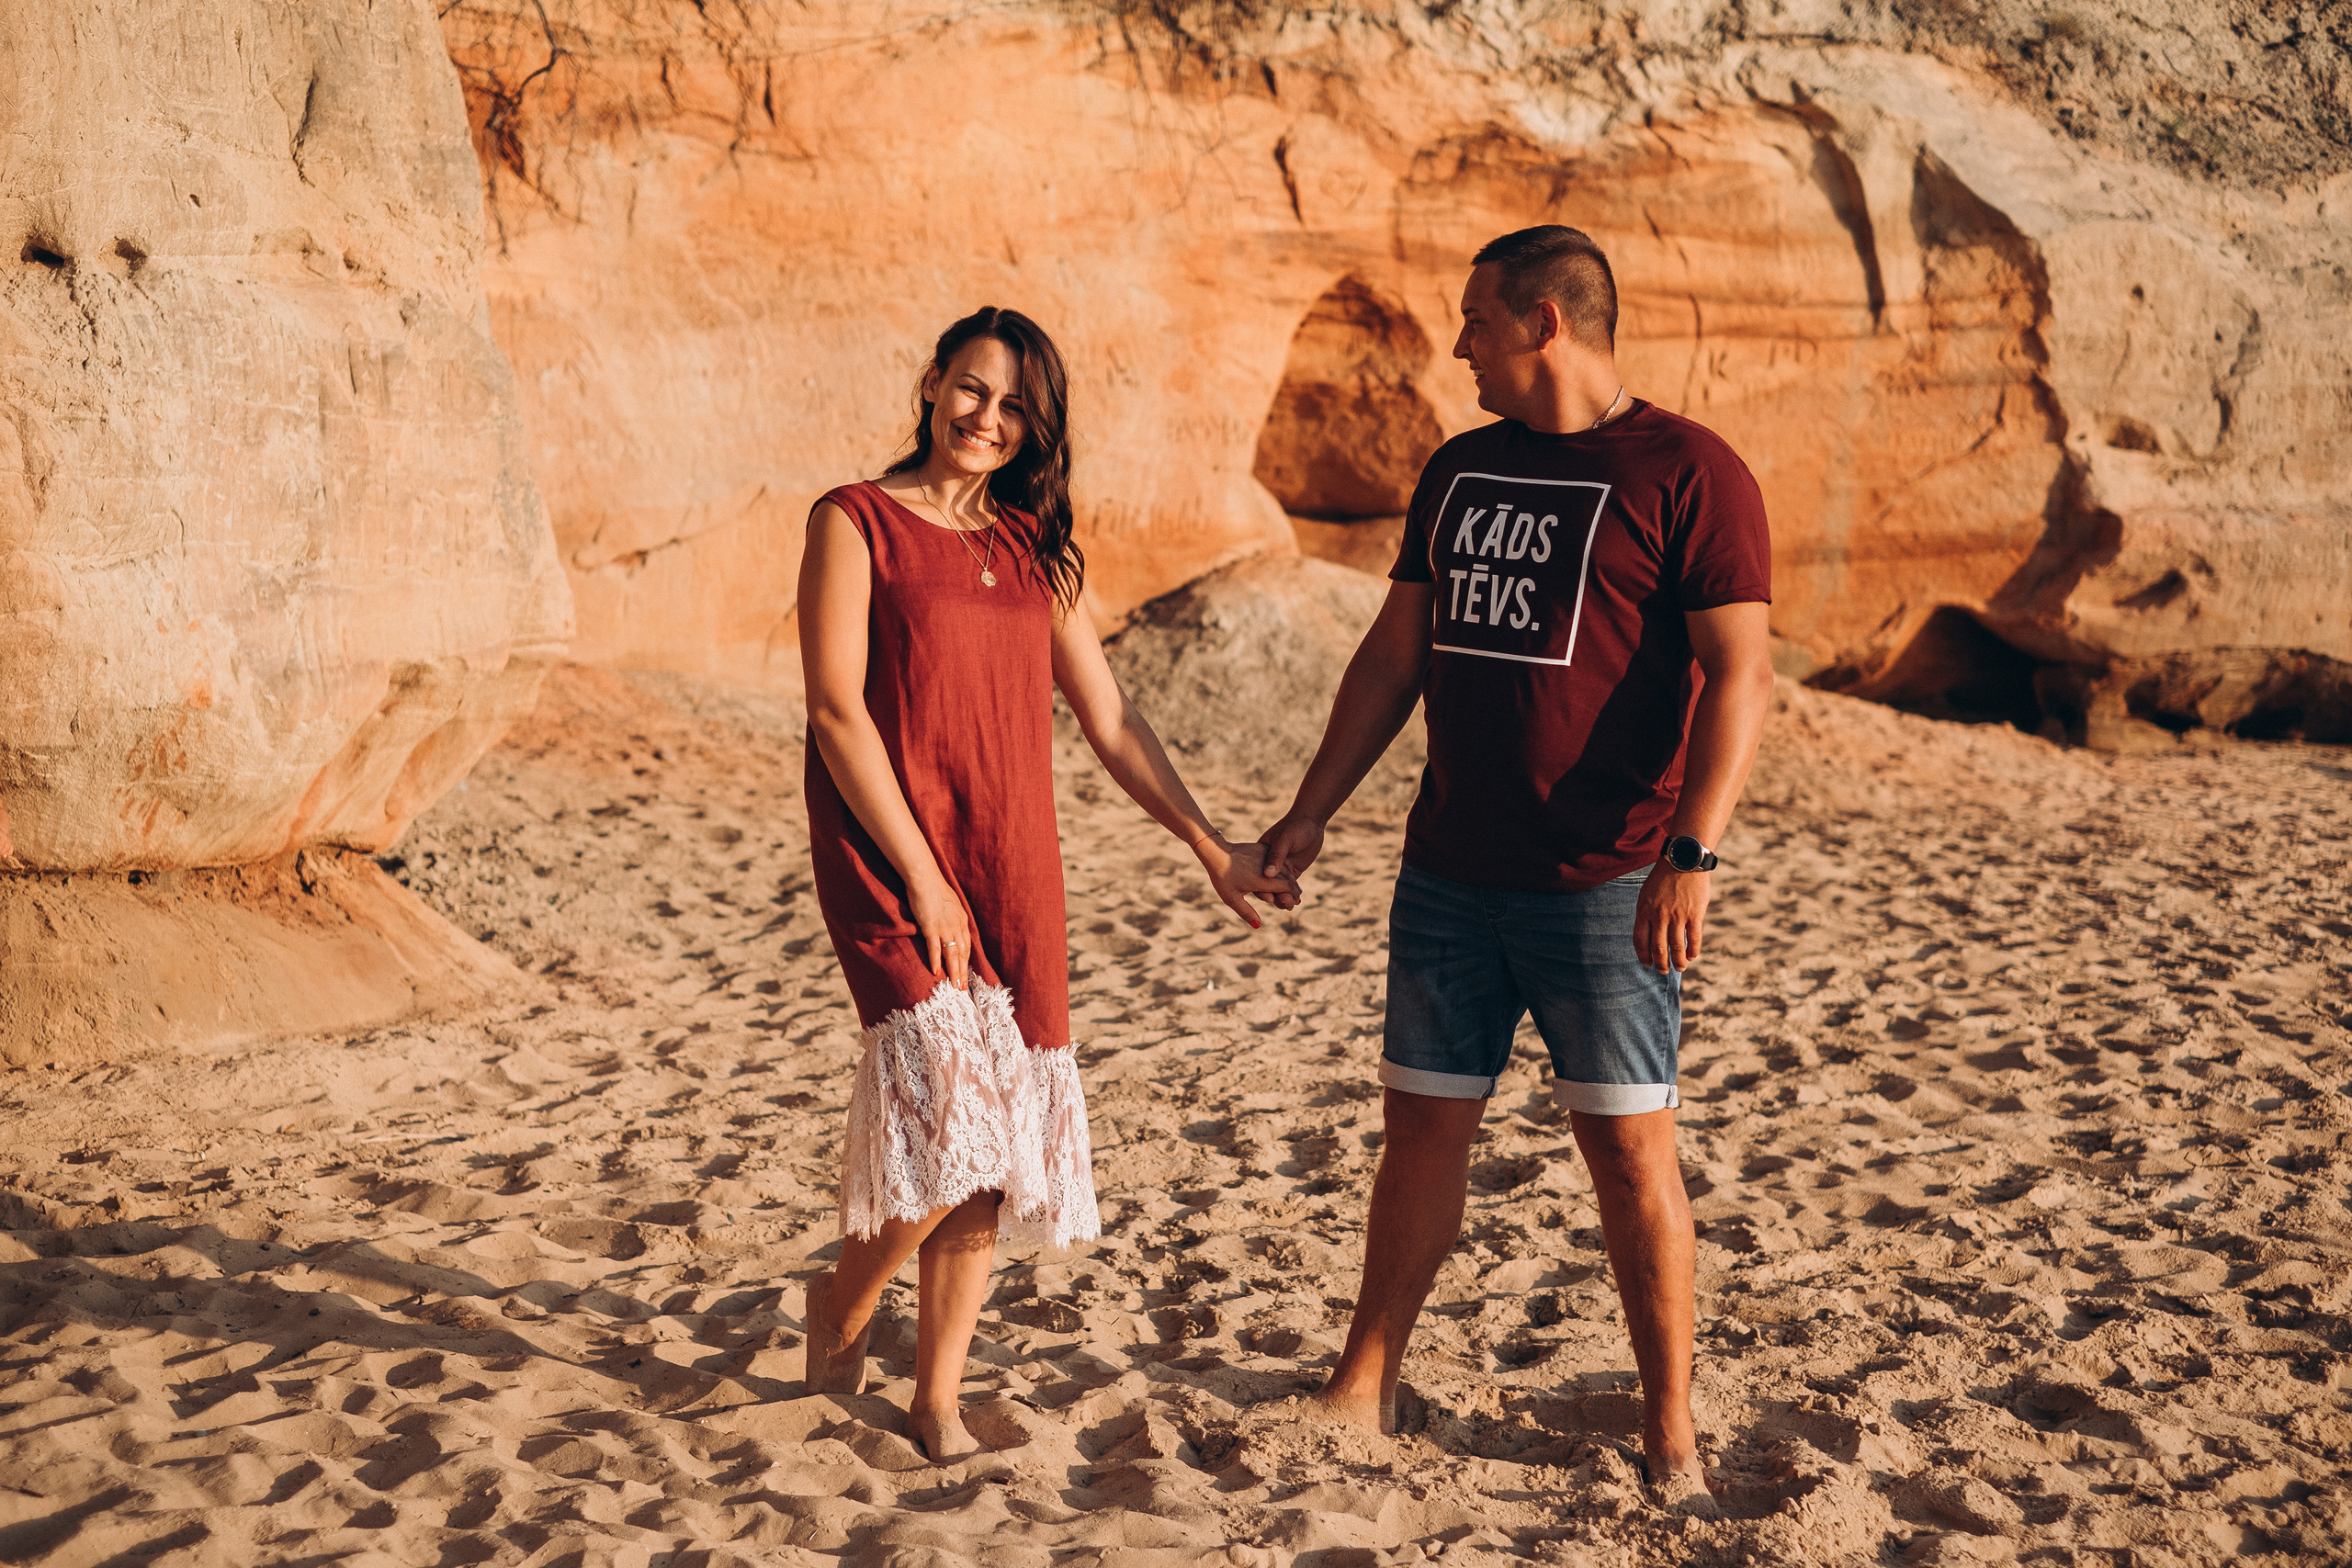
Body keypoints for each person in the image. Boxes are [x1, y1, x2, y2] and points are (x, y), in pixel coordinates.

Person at [1257, 227, 1774, 1507]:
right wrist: (1314, 808)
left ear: (1547, 322)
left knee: (1629, 1153)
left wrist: (1690, 851)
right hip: (1446, 876)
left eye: (1477, 320)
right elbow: (1392, 657)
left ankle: (1670, 1428)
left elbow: (1741, 675)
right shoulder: (1463, 468)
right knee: (1421, 1127)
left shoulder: (1691, 471)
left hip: (1607, 881)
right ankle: (1365, 1378)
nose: (1460, 344)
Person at [796, 306, 1295, 1463]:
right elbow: (832, 708)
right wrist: (920, 875)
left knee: (999, 1139)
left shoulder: (1031, 546)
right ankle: (841, 1301)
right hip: (889, 850)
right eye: (972, 390)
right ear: (929, 384)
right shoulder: (853, 519)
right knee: (953, 1116)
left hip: (1011, 854)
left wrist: (1208, 843)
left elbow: (1110, 718)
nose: (988, 418)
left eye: (1015, 406)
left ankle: (935, 1395)